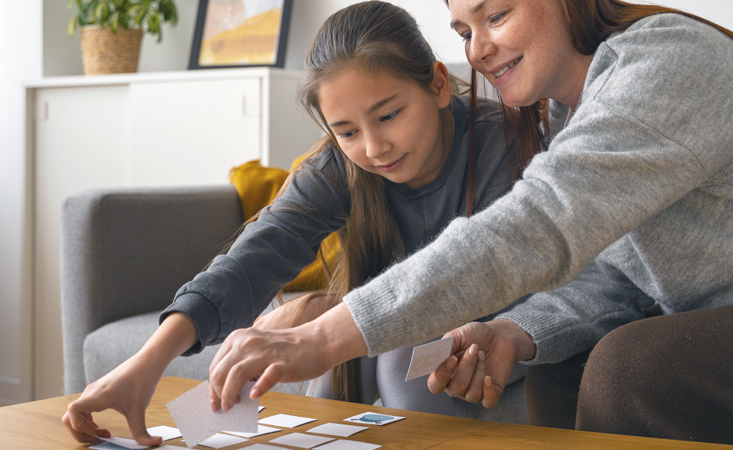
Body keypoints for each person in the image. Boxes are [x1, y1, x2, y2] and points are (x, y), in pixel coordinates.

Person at [204, 0, 733, 448]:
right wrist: (516, 332)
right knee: (567, 359)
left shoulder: (667, 64)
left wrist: (325, 334)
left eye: (495, 14)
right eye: (463, 31)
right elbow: (620, 279)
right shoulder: (573, 111)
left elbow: (534, 226)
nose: (477, 48)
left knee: (627, 368)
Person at [62, 2, 540, 445]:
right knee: (307, 342)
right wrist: (147, 362)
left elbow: (488, 280)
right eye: (347, 131)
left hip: (507, 324)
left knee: (397, 356)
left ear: (437, 84)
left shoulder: (503, 141)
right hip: (400, 325)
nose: (375, 148)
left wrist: (324, 315)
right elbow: (254, 257)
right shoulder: (343, 166)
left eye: (389, 115)